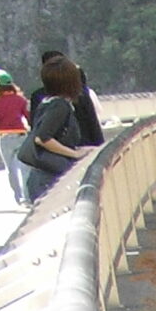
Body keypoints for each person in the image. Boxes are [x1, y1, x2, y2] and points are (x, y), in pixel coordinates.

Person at [19, 55, 91, 203]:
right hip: (49, 179)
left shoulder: (46, 103)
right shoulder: (59, 106)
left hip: (40, 177)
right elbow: (42, 138)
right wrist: (75, 154)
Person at [30, 51, 102, 146]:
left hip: (55, 152)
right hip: (80, 148)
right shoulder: (78, 95)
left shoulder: (39, 97)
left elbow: (35, 127)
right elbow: (93, 125)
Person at [0, 70, 31, 187]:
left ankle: (19, 198)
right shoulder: (20, 99)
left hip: (5, 136)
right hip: (21, 135)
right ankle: (28, 196)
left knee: (11, 169)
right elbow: (28, 116)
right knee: (25, 168)